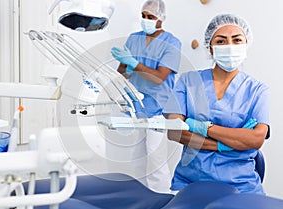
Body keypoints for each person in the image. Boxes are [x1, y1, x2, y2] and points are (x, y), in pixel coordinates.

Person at [163, 14, 270, 194]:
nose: (229, 46)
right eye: (221, 41)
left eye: (236, 40)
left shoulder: (257, 90)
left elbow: (255, 139)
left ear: (245, 45)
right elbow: (175, 131)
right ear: (210, 48)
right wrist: (230, 143)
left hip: (242, 186)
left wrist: (201, 127)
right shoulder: (188, 81)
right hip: (190, 184)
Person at [110, 0, 182, 193]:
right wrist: (121, 65)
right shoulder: (134, 38)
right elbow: (122, 72)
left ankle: (164, 201)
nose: (146, 20)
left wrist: (134, 62)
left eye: (151, 17)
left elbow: (159, 78)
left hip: (158, 108)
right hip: (136, 107)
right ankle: (141, 198)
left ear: (161, 18)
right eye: (143, 16)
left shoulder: (172, 43)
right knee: (137, 159)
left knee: (156, 160)